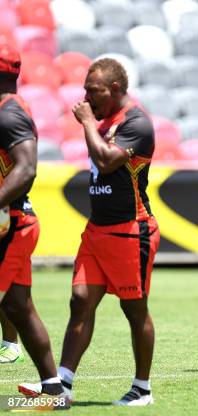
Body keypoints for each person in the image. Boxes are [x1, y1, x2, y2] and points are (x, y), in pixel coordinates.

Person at [18, 58, 159, 406]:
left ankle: (142, 388)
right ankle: (62, 385)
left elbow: (108, 160)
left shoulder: (137, 123)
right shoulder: (107, 120)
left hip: (131, 230)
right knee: (80, 300)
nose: (85, 98)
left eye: (92, 91)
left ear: (114, 89)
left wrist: (85, 124)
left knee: (134, 309)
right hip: (98, 230)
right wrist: (91, 123)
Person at [0, 42, 68, 406]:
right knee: (18, 308)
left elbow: (26, 168)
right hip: (11, 222)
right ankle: (54, 390)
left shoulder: (9, 114)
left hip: (13, 224)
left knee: (16, 307)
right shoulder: (6, 108)